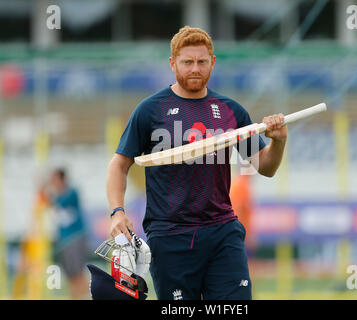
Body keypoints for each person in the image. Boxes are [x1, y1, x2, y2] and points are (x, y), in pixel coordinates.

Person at [107, 26, 287, 300]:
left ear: (212, 62)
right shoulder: (150, 110)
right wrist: (117, 211)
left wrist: (278, 141)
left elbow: (264, 166)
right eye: (187, 62)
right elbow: (119, 165)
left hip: (222, 231)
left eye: (202, 62)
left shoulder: (231, 112)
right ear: (172, 63)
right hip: (170, 236)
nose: (195, 69)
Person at [48, 168, 90, 299]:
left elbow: (58, 202)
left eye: (54, 179)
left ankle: (89, 296)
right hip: (65, 241)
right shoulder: (57, 196)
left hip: (75, 238)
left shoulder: (71, 193)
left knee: (78, 273)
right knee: (70, 276)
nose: (52, 183)